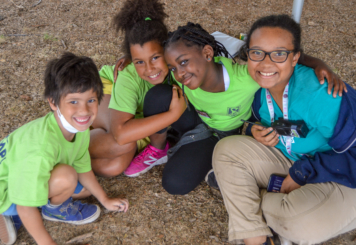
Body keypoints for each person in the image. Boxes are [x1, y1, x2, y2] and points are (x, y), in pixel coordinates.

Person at [148, 21, 345, 195]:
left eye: (183, 62)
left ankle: (214, 162)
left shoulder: (247, 79)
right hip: (197, 122)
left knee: (174, 184)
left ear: (207, 54)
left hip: (229, 135)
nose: (179, 72)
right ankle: (161, 147)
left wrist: (317, 63)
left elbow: (279, 60)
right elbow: (152, 65)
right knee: (158, 95)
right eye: (173, 67)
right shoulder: (183, 78)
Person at [212, 14, 356, 245]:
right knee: (226, 149)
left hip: (342, 176)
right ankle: (256, 238)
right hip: (292, 160)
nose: (266, 64)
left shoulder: (321, 94)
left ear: (295, 57)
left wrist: (303, 173)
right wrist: (254, 130)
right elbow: (266, 123)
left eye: (279, 54)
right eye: (257, 52)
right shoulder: (258, 89)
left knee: (301, 227)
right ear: (247, 55)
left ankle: (251, 202)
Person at [0, 52, 129, 245]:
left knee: (84, 190)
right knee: (67, 177)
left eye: (91, 100)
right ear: (53, 102)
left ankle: (45, 206)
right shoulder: (40, 148)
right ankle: (3, 211)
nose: (84, 111)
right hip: (2, 190)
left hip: (20, 174)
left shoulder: (77, 128)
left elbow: (83, 167)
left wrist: (104, 199)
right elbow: (24, 205)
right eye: (73, 101)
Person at [89, 0, 187, 178]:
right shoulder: (127, 75)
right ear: (131, 60)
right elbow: (121, 134)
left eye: (155, 57)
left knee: (114, 167)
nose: (149, 69)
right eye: (139, 61)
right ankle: (68, 148)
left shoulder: (180, 65)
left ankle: (79, 163)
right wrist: (172, 115)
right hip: (106, 88)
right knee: (125, 143)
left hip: (138, 111)